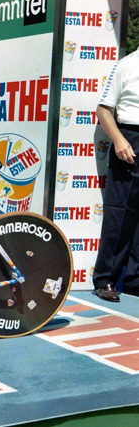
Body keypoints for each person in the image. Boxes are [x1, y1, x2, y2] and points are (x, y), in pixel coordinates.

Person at [92, 48, 139, 302]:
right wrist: (119, 140)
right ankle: (105, 278)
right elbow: (103, 109)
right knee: (119, 214)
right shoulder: (127, 65)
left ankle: (135, 280)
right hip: (131, 138)